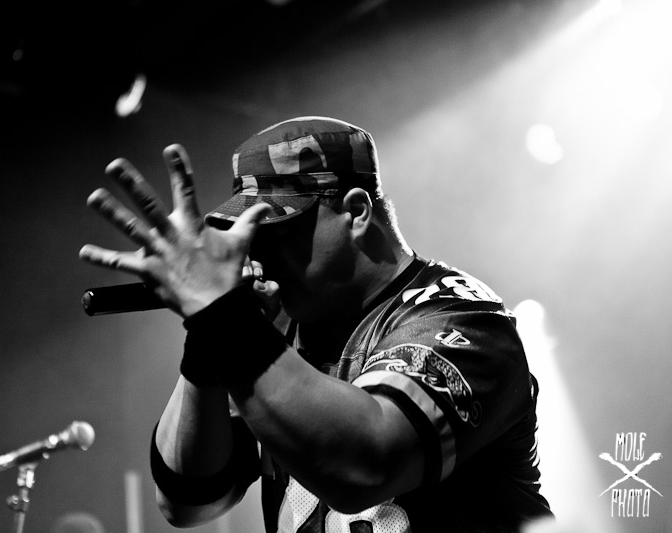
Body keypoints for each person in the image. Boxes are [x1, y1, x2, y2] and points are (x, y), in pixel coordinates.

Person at [79, 117, 553, 532]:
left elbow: (366, 467)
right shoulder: (271, 327)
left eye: (278, 230)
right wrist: (207, 337)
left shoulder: (461, 319)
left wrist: (225, 319)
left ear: (356, 211)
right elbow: (188, 500)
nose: (257, 253)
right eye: (250, 236)